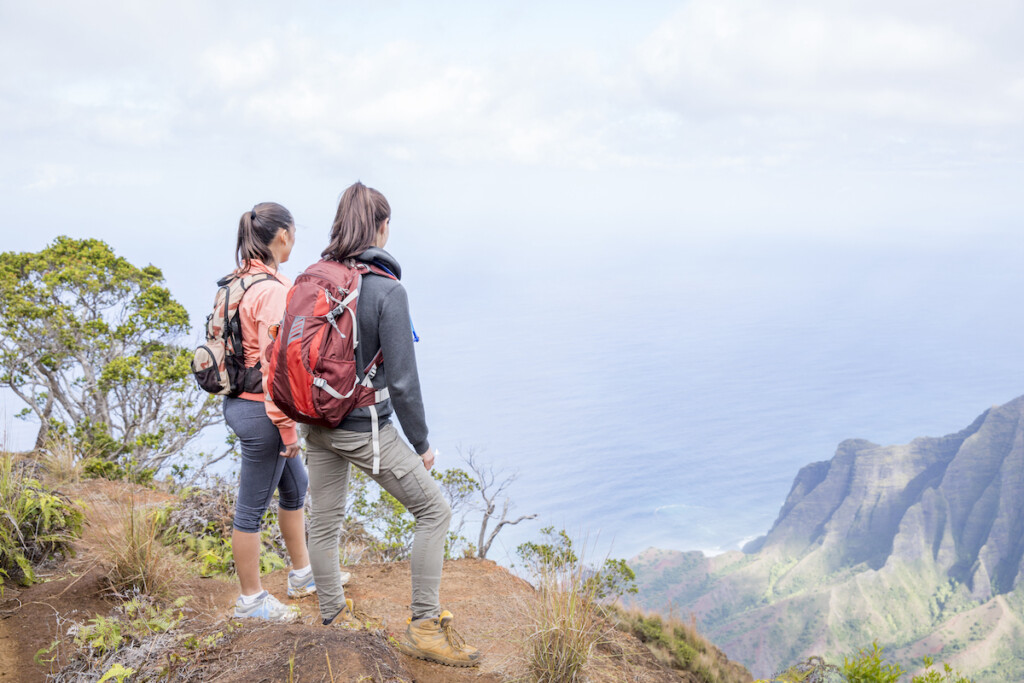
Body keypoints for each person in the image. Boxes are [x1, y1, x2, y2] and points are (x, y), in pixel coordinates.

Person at [304, 182, 480, 667]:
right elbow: (402, 382)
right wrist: (421, 443)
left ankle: (333, 615)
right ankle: (424, 626)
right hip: (363, 428)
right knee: (435, 512)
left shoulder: (315, 278)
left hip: (316, 422)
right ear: (381, 227)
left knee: (324, 520)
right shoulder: (387, 290)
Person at [224, 202, 320, 622]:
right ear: (283, 236)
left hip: (239, 403)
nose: (295, 239)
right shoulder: (273, 291)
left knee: (296, 487)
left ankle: (301, 575)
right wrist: (287, 431)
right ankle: (251, 600)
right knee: (250, 510)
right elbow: (274, 367)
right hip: (262, 415)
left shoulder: (238, 282)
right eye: (294, 233)